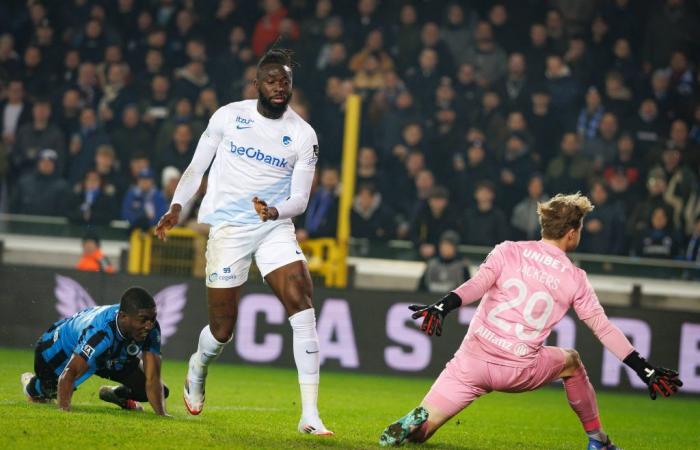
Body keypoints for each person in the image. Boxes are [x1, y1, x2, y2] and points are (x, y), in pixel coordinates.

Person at [379, 193, 683, 449]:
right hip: (517, 369)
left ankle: (416, 421)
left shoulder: (508, 250)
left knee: (424, 431)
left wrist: (442, 307)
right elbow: (602, 328)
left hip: (472, 361)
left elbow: (476, 285)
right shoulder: (575, 277)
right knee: (572, 361)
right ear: (572, 232)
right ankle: (597, 440)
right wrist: (645, 369)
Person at [154, 48, 332, 435]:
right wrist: (176, 208)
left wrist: (275, 212)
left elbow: (300, 199)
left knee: (302, 302)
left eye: (285, 81)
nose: (279, 87)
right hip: (228, 230)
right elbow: (196, 167)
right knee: (222, 328)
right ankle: (198, 366)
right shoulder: (228, 116)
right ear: (257, 85)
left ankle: (310, 415)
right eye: (271, 80)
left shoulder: (303, 135)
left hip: (273, 226)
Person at [20, 287, 169, 415]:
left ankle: (115, 395)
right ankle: (31, 384)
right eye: (143, 320)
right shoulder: (100, 332)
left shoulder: (150, 328)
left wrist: (162, 415)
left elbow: (153, 378)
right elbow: (69, 374)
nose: (149, 325)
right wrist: (64, 412)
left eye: (153, 318)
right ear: (123, 317)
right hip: (56, 351)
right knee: (46, 393)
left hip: (106, 355)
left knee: (157, 390)